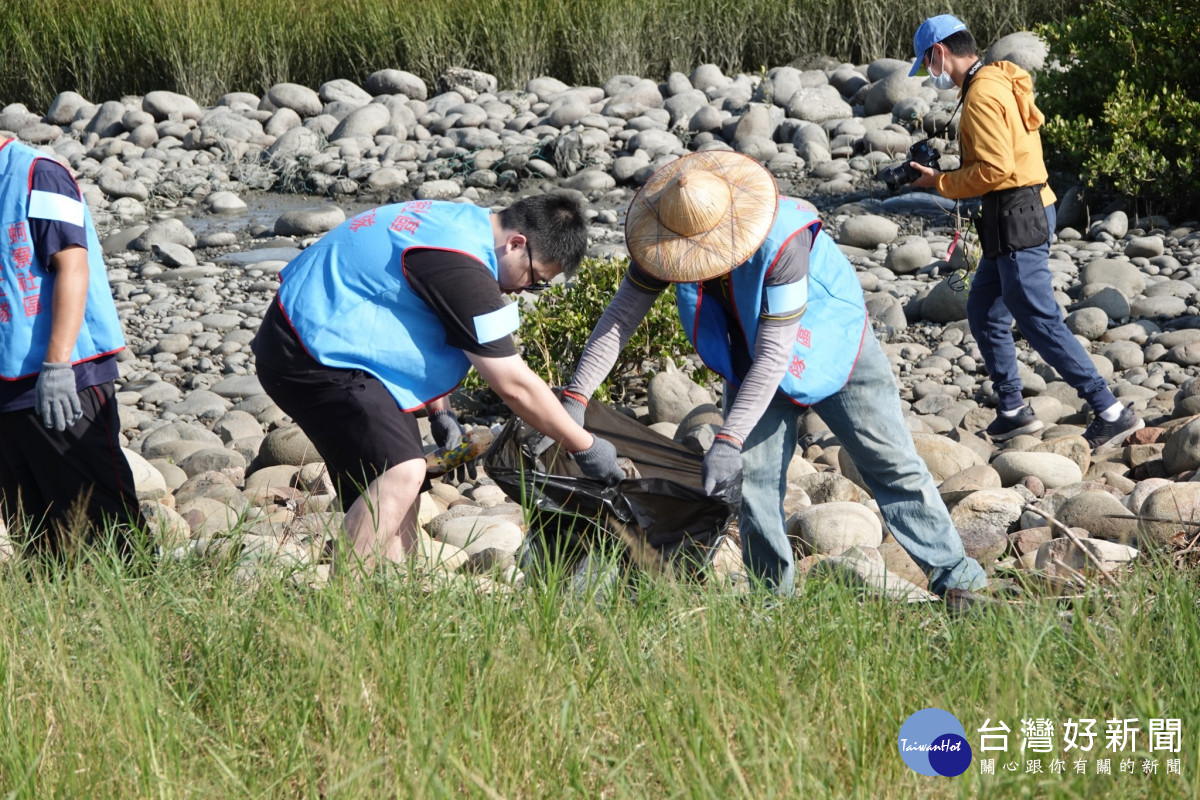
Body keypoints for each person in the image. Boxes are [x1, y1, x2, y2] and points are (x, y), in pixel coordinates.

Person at [556, 150, 989, 609]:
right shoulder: (665, 236)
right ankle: (773, 605)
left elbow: (776, 351)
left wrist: (727, 439)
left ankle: (960, 583)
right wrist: (575, 399)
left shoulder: (784, 241)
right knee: (753, 485)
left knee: (891, 464)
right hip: (748, 356)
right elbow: (620, 320)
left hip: (832, 347)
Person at [251, 193, 624, 574]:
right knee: (402, 471)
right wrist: (586, 447)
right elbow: (513, 383)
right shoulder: (462, 268)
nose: (525, 291)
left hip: (323, 336)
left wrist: (440, 412)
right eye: (535, 279)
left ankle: (390, 606)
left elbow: (421, 312)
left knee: (398, 488)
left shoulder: (464, 224)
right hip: (309, 351)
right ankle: (340, 606)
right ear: (516, 244)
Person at [907, 14, 1144, 451]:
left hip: (1018, 215)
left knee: (1036, 318)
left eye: (926, 65)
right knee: (984, 309)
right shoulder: (999, 81)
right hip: (1020, 210)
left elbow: (996, 169)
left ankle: (1110, 409)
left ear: (939, 52)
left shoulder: (980, 96)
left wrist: (937, 182)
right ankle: (1014, 410)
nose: (929, 75)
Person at [0, 136, 141, 560]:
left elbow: (72, 265)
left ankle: (141, 603)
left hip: (62, 379)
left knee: (103, 518)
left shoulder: (38, 173)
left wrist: (57, 365)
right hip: (7, 388)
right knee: (33, 530)